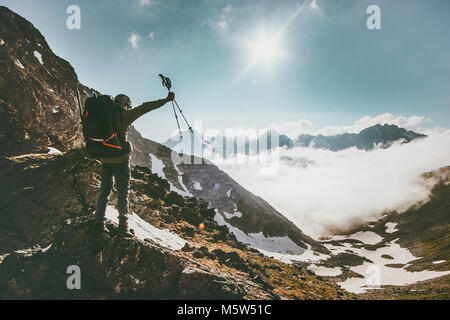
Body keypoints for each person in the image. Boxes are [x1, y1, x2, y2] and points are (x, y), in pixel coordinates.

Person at [94, 92, 175, 237]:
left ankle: (99, 222)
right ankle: (123, 226)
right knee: (123, 193)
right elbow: (146, 107)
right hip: (121, 161)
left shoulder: (103, 116)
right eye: (127, 106)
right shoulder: (124, 115)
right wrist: (166, 100)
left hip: (105, 160)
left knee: (104, 192)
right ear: (125, 105)